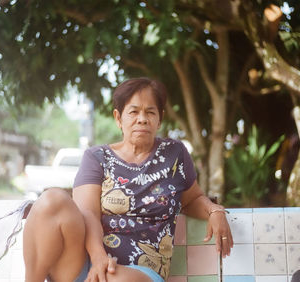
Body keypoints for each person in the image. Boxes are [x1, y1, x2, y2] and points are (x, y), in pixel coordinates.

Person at [23, 77, 233, 282]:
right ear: (118, 118)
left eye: (150, 112)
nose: (142, 118)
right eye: (133, 112)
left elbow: (191, 199)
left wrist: (214, 210)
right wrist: (98, 259)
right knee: (52, 199)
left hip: (139, 273)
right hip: (85, 265)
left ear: (159, 119)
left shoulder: (174, 154)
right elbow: (87, 214)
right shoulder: (97, 157)